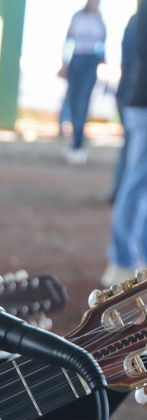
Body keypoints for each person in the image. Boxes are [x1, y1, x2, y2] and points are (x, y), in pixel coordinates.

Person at [104, 1, 147, 288]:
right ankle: (121, 261)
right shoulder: (141, 16)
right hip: (143, 106)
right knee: (135, 184)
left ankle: (134, 258)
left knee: (138, 185)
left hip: (139, 105)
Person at [60, 0, 107, 165]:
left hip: (90, 63)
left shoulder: (99, 19)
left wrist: (103, 66)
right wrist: (64, 63)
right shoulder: (78, 17)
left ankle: (78, 144)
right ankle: (75, 139)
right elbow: (68, 41)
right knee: (73, 102)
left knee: (83, 103)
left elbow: (102, 44)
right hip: (76, 60)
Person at [109, 12, 140, 204]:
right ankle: (121, 194)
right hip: (134, 96)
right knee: (135, 157)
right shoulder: (138, 21)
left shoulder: (135, 20)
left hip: (129, 94)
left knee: (130, 150)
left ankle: (118, 191)